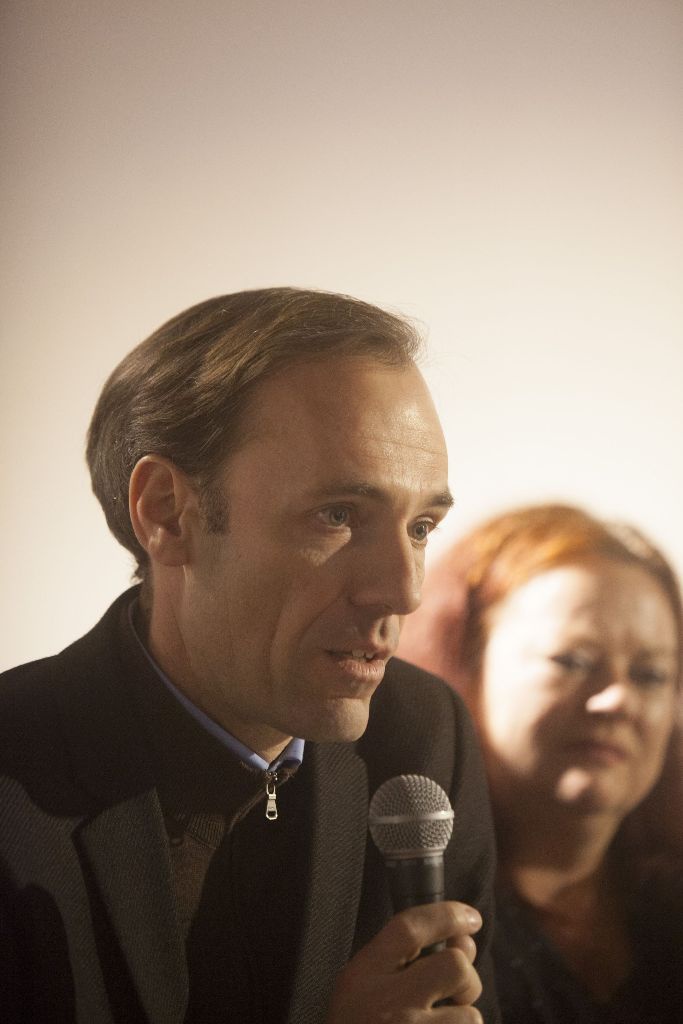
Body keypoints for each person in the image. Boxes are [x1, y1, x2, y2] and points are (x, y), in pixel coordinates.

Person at [0, 287, 500, 1024]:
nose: (404, 591)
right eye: (337, 516)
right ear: (167, 512)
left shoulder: (423, 735)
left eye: (420, 527)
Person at [398, 503, 683, 1024]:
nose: (618, 699)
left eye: (650, 675)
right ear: (465, 666)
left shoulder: (665, 904)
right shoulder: (393, 904)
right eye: (572, 661)